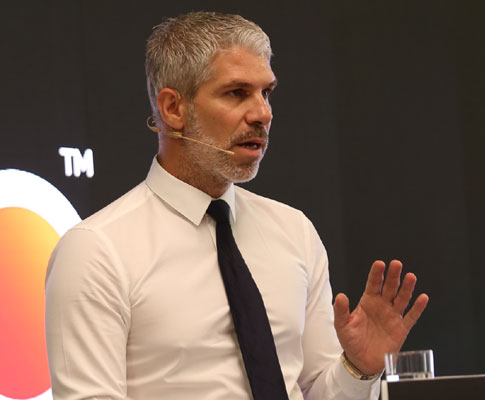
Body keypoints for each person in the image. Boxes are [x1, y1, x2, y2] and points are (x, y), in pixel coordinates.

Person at [45, 11, 428, 400]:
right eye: (237, 93)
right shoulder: (96, 250)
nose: (263, 113)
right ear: (173, 109)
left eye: (266, 93)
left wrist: (359, 369)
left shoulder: (294, 231)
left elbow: (315, 390)